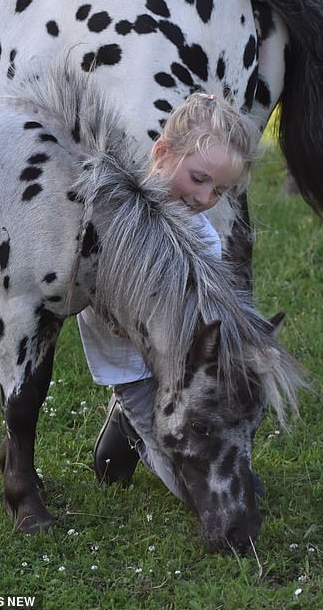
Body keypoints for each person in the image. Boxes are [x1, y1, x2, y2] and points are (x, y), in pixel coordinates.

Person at [77, 91, 262, 502]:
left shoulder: (202, 236)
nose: (203, 198)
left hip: (178, 370)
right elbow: (92, 289)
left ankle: (134, 428)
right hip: (130, 369)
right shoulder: (117, 219)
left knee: (229, 469)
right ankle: (128, 422)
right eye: (199, 179)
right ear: (162, 152)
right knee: (189, 489)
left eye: (219, 191)